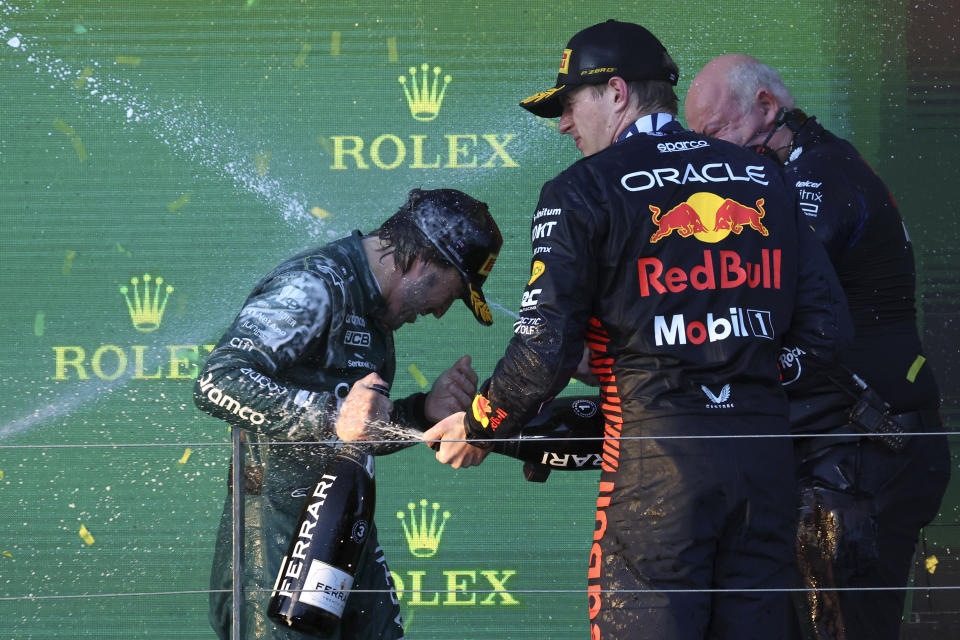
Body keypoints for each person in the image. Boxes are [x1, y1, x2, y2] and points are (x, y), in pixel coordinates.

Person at [423, 20, 850, 640]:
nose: (564, 124)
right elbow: (828, 333)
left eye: (569, 104)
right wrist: (743, 375)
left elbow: (544, 350)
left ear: (616, 93)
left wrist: (484, 423)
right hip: (764, 463)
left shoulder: (580, 190)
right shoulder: (763, 176)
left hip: (657, 472)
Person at [685, 54, 951, 640]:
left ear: (765, 107)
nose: (706, 157)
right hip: (840, 451)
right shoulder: (790, 172)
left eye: (714, 134)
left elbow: (764, 294)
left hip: (866, 455)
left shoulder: (821, 176)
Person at [194, 187, 502, 639]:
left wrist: (422, 413)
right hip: (275, 536)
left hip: (343, 528)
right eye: (451, 294)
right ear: (422, 261)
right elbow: (217, 381)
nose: (440, 312)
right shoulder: (315, 285)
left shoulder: (376, 309)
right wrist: (330, 415)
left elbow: (356, 432)